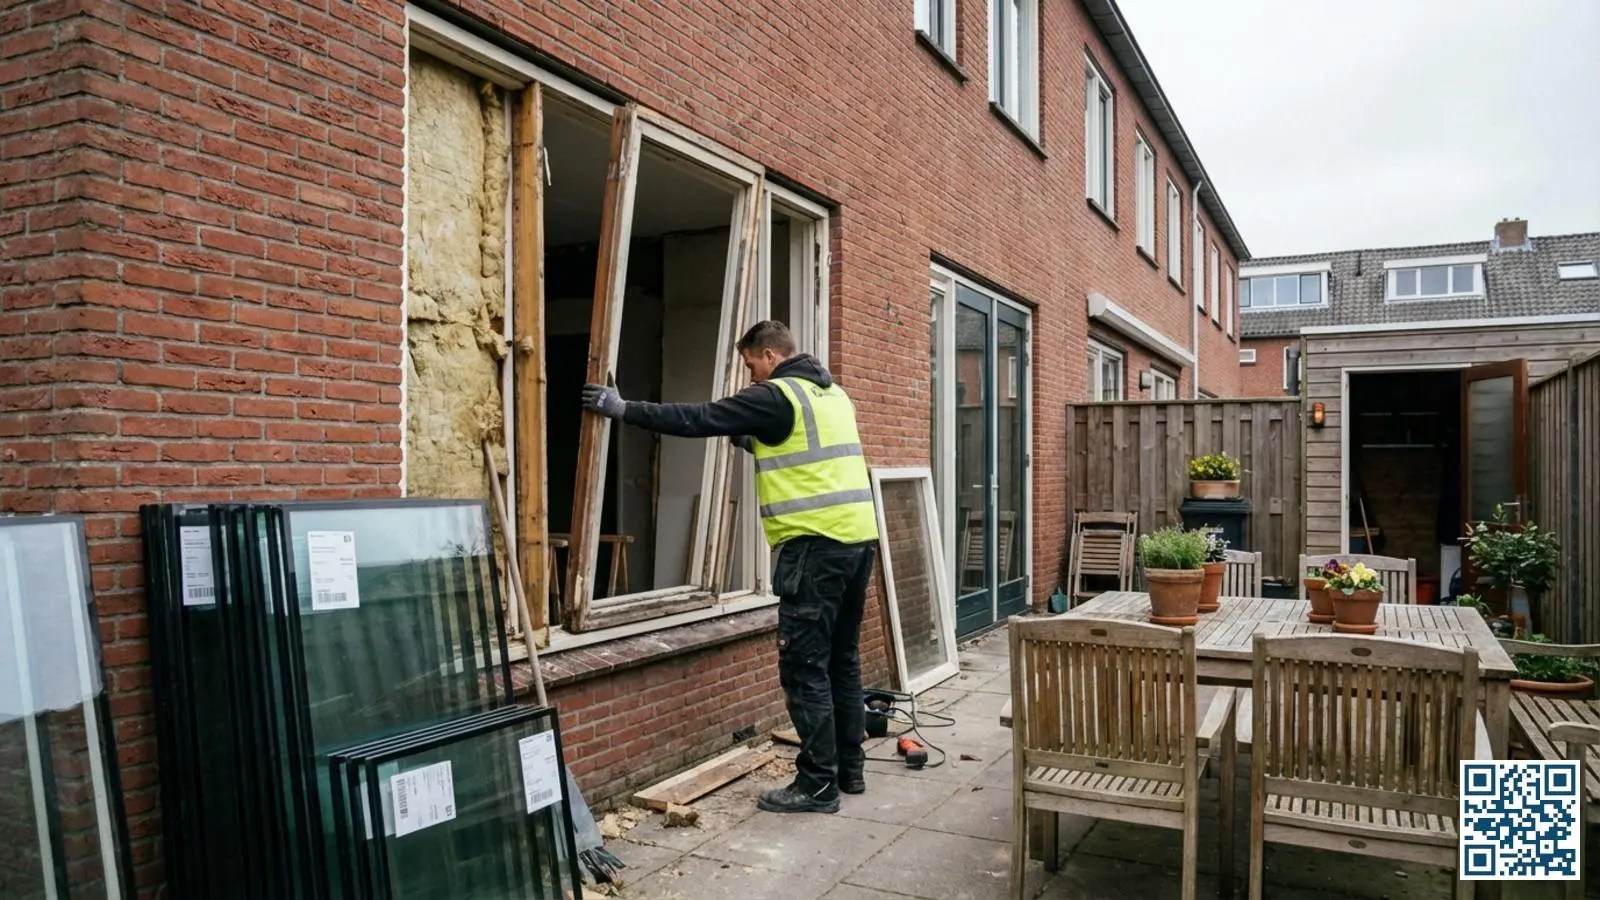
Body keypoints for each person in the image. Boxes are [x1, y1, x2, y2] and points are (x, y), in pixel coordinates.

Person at [580, 320, 879, 814]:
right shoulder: (832, 395)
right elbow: (806, 452)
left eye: (751, 367)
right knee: (841, 660)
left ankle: (818, 786)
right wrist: (753, 439)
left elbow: (699, 418)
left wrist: (623, 408)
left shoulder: (776, 395)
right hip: (856, 542)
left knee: (804, 666)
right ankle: (849, 770)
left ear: (768, 355)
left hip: (814, 549)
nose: (751, 379)